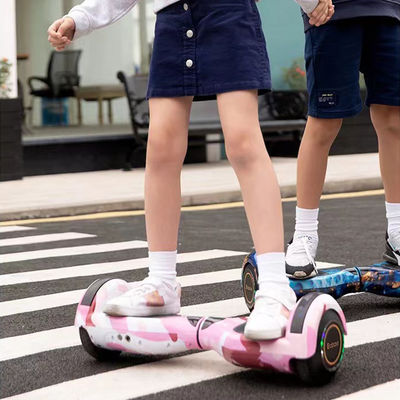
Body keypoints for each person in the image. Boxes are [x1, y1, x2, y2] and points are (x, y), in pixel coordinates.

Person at [48, 0, 333, 340]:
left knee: (243, 144)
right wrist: (80, 18)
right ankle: (162, 283)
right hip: (172, 18)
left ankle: (275, 289)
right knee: (160, 150)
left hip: (228, 12)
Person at [286, 0, 400, 278]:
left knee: (394, 121)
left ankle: (397, 230)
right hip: (332, 11)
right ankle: (304, 234)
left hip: (390, 9)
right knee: (323, 122)